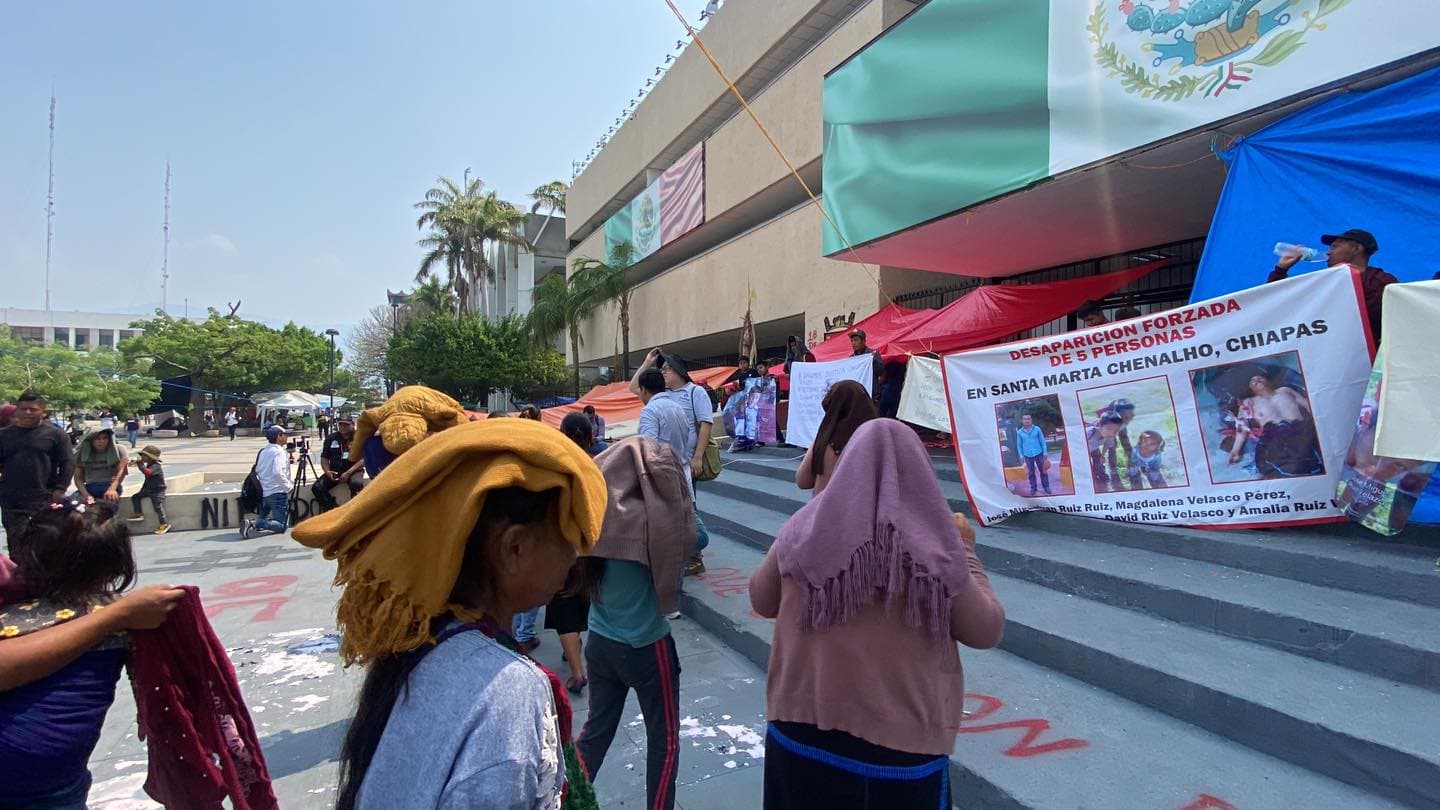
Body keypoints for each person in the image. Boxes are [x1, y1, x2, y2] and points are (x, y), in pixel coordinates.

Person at [291, 419, 607, 810]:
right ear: (515, 548)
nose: (575, 555)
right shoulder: (508, 689)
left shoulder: (424, 643)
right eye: (569, 535)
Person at [750, 420, 1005, 809]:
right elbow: (986, 630)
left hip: (798, 736)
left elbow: (761, 599)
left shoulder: (804, 527)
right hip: (899, 756)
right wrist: (967, 550)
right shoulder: (938, 545)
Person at [0, 498, 188, 809]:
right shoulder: (123, 616)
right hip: (50, 785)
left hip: (53, 785)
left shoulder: (10, 609)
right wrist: (117, 616)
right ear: (117, 564)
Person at [576, 436, 694, 810]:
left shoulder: (591, 515)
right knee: (665, 741)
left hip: (599, 643)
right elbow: (696, 539)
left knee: (595, 732)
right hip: (648, 647)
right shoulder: (652, 520)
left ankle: (566, 799)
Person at [630, 350, 713, 581]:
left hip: (686, 461)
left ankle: (694, 556)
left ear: (679, 371)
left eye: (667, 369)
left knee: (688, 507)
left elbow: (705, 424)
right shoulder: (665, 395)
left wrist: (698, 456)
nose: (664, 372)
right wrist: (647, 363)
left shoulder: (695, 392)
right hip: (674, 463)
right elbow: (635, 387)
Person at [549, 413, 603, 693]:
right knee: (585, 599)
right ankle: (580, 650)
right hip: (593, 545)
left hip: (565, 546)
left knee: (564, 606)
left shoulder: (556, 463)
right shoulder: (598, 462)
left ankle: (577, 671)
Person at [1270, 228, 1396, 337]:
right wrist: (1280, 270)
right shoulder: (1323, 282)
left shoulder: (1380, 282)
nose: (1328, 252)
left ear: (1356, 249)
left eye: (1335, 246)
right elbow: (1276, 303)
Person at [0, 392, 76, 552]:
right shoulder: (4, 435)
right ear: (17, 411)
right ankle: (21, 576)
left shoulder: (56, 435)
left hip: (45, 497)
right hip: (12, 501)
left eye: (33, 409)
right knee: (17, 544)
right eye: (24, 409)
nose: (28, 413)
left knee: (46, 543)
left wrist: (60, 488)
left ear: (43, 411)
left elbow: (68, 462)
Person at [796, 381, 877, 498]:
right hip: (867, 512)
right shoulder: (880, 439)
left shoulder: (827, 440)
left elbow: (803, 481)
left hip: (826, 510)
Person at [1246, 373, 1321, 478]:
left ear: (1268, 381)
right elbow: (1241, 427)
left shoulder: (1285, 390)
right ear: (1251, 390)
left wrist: (1318, 422)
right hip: (1274, 436)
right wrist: (1235, 451)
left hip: (1300, 429)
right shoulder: (1250, 402)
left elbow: (1308, 406)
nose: (1257, 380)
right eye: (1253, 381)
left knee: (1312, 458)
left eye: (1260, 378)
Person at [242, 426, 292, 538]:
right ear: (279, 436)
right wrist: (288, 486)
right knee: (282, 525)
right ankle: (253, 523)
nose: (287, 437)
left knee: (264, 517)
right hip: (277, 492)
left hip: (264, 492)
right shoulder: (279, 452)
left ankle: (258, 524)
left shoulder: (263, 451)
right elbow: (277, 472)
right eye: (285, 434)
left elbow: (259, 470)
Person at [314, 418, 365, 511]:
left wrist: (348, 473)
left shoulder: (359, 437)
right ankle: (333, 509)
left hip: (354, 470)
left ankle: (356, 511)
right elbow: (324, 458)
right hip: (335, 470)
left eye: (346, 425)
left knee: (356, 484)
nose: (343, 427)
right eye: (340, 425)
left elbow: (364, 459)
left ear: (353, 425)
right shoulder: (331, 438)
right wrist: (327, 471)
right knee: (317, 487)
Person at [73, 427, 129, 512]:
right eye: (98, 439)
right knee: (71, 505)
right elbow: (78, 478)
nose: (101, 441)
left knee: (107, 509)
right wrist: (86, 495)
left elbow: (121, 472)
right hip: (90, 487)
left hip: (110, 486)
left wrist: (112, 489)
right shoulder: (82, 452)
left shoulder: (119, 450)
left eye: (105, 438)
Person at [127, 445, 171, 534]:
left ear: (150, 457)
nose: (142, 457)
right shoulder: (150, 464)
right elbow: (141, 467)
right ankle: (138, 513)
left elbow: (148, 473)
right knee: (135, 497)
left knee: (157, 506)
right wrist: (134, 463)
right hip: (148, 489)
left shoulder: (156, 466)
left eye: (144, 456)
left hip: (157, 490)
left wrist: (140, 465)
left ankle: (163, 523)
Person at [1015, 412, 1051, 496]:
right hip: (1027, 455)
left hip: (1039, 453)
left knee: (1043, 470)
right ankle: (1033, 488)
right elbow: (1019, 445)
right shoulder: (1020, 432)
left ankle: (1046, 487)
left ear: (1031, 420)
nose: (1027, 420)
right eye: (1025, 419)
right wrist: (1021, 455)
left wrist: (1045, 452)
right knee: (1031, 473)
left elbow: (1042, 441)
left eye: (1028, 419)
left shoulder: (1037, 429)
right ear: (1022, 420)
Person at [1086, 414, 1125, 492]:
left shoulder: (1110, 436)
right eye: (1109, 428)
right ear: (1100, 425)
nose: (1111, 432)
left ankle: (1103, 477)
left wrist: (1102, 455)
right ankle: (1091, 481)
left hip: (1094, 449)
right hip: (1083, 450)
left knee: (1099, 463)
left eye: (1115, 430)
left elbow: (1107, 445)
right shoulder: (1088, 433)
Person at [848, 329, 884, 404]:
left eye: (856, 340)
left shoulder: (873, 354)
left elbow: (880, 371)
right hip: (856, 397)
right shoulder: (851, 358)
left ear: (863, 341)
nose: (853, 343)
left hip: (871, 397)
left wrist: (874, 361)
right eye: (852, 341)